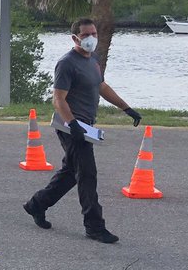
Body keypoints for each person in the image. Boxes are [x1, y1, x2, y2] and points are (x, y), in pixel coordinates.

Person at [24, 17, 143, 244]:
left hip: (85, 126)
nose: (91, 39)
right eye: (86, 35)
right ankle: (94, 226)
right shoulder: (67, 63)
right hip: (71, 126)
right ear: (75, 38)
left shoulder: (94, 59)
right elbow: (58, 99)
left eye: (94, 34)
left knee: (71, 173)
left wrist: (126, 108)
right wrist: (72, 124)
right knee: (87, 175)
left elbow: (101, 86)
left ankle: (36, 204)